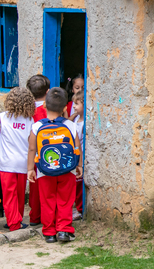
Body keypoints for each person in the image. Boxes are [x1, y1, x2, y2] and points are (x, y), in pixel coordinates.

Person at [27, 87, 83, 243]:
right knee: (65, 200)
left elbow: (32, 148)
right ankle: (64, 230)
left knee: (47, 200)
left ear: (44, 105)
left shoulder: (37, 126)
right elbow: (77, 147)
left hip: (45, 172)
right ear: (65, 108)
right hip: (67, 170)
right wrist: (79, 166)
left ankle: (49, 232)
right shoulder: (71, 125)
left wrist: (30, 169)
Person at [0, 87, 35, 231]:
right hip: (23, 163)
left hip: (6, 163)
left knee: (9, 194)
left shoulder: (4, 116)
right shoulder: (29, 120)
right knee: (20, 194)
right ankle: (18, 219)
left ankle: (13, 222)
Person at [25, 74, 50, 226]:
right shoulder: (50, 110)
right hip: (48, 151)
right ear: (48, 92)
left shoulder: (27, 111)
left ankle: (35, 216)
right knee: (48, 186)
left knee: (34, 186)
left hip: (33, 153)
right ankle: (48, 216)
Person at [71, 91, 85, 220]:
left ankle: (80, 209)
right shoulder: (75, 119)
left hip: (81, 157)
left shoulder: (84, 122)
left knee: (79, 185)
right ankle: (75, 208)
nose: (74, 106)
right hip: (74, 156)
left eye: (77, 104)